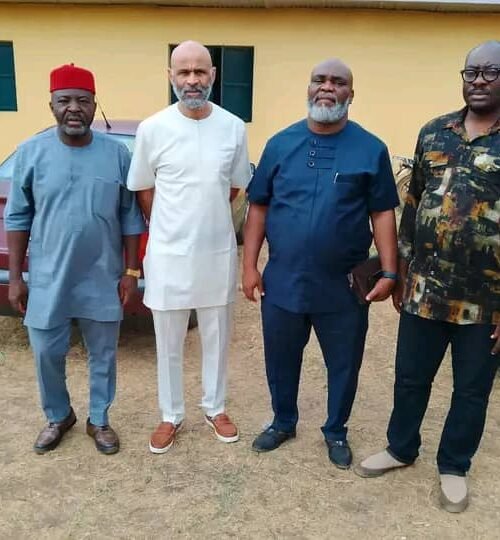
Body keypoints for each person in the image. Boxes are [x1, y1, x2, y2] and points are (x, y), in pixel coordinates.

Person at [356, 41, 500, 513]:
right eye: (471, 71)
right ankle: (401, 447)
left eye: (491, 72)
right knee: (411, 377)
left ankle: (454, 465)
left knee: (472, 388)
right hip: (425, 292)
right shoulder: (434, 132)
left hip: (486, 301)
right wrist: (398, 271)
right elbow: (413, 204)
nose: (479, 80)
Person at [243, 58, 399, 468]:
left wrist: (389, 270)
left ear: (351, 93)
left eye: (338, 82)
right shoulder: (279, 144)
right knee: (280, 357)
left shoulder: (370, 148)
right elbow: (257, 206)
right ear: (309, 88)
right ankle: (282, 421)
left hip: (344, 286)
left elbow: (382, 212)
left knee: (344, 363)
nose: (327, 87)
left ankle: (335, 430)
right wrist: (249, 266)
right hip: (284, 279)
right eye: (320, 80)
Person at [5, 63, 146, 455]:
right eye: (64, 100)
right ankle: (58, 415)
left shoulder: (116, 155)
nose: (73, 108)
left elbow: (131, 216)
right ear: (50, 104)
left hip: (102, 276)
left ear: (93, 104)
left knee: (103, 355)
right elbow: (17, 217)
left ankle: (99, 419)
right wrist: (16, 277)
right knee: (46, 353)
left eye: (82, 101)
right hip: (49, 278)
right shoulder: (31, 153)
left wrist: (131, 271)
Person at [127, 41, 252, 454]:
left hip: (216, 253)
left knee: (217, 337)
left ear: (213, 76)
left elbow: (233, 187)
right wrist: (172, 225)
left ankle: (215, 407)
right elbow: (144, 189)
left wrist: (205, 219)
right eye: (184, 72)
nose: (193, 80)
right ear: (171, 77)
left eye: (200, 72)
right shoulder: (152, 129)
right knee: (169, 341)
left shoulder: (233, 127)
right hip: (167, 255)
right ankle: (170, 414)